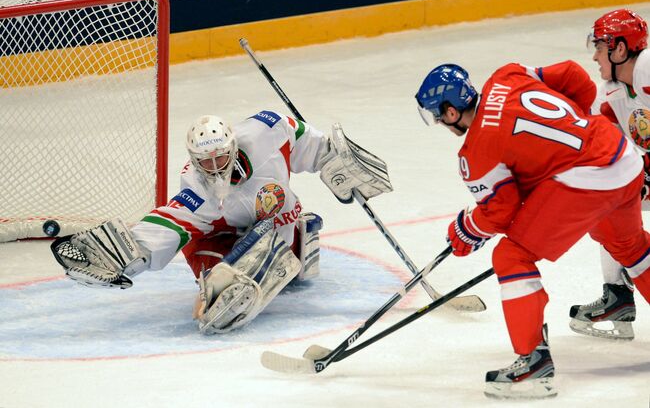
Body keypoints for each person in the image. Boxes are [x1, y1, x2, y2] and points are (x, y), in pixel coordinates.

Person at [414, 61, 650, 399]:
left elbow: (502, 210)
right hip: (621, 156)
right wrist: (576, 132)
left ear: (451, 112)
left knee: (512, 255)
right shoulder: (506, 75)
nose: (439, 122)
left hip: (588, 178)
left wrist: (466, 230)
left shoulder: (475, 152)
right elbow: (573, 75)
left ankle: (534, 365)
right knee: (630, 247)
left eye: (438, 115)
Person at [51, 111, 391, 334]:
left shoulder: (266, 133)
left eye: (220, 156)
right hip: (222, 238)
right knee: (218, 297)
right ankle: (221, 276)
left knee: (291, 272)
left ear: (232, 145)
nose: (214, 166)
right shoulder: (197, 187)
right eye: (205, 160)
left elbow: (301, 136)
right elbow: (172, 220)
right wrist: (130, 252)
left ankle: (293, 244)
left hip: (276, 222)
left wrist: (334, 158)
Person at [569, 8, 650, 340]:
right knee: (605, 202)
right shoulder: (610, 93)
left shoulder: (648, 68)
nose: (594, 56)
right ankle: (616, 294)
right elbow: (611, 151)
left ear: (620, 49)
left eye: (600, 47)